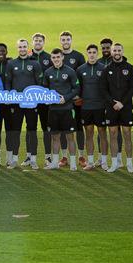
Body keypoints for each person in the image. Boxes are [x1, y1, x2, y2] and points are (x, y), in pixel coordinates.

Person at [4, 39, 43, 169]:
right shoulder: (11, 63)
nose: (22, 49)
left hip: (32, 104)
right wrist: (9, 96)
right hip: (16, 104)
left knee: (32, 130)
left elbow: (39, 83)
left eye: (24, 47)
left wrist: (36, 99)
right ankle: (14, 159)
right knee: (16, 130)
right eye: (20, 47)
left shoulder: (35, 64)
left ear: (28, 48)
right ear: (17, 48)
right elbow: (8, 82)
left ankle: (33, 159)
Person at [100, 43, 133, 173]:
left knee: (127, 135)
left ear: (122, 51)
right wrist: (113, 103)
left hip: (126, 107)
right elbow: (103, 89)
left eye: (119, 50)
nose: (117, 52)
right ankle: (115, 163)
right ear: (111, 51)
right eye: (114, 50)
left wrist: (122, 102)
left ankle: (129, 164)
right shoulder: (106, 69)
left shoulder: (130, 68)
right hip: (111, 108)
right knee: (113, 135)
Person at [43, 48, 79, 171]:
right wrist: (47, 98)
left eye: (58, 57)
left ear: (62, 57)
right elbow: (45, 89)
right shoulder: (48, 72)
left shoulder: (70, 71)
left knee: (70, 137)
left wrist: (66, 98)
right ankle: (54, 162)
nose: (56, 59)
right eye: (53, 57)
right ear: (51, 59)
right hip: (53, 110)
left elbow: (76, 88)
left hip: (67, 109)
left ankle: (73, 163)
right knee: (55, 137)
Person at [76, 44, 109, 171]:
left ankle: (104, 161)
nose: (92, 54)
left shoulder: (104, 68)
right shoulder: (80, 69)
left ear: (97, 53)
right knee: (88, 134)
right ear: (87, 53)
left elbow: (107, 88)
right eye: (89, 52)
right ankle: (90, 162)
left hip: (100, 107)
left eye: (94, 52)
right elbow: (78, 88)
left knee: (102, 134)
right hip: (86, 107)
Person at [59, 31, 87, 168]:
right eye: (63, 39)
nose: (65, 42)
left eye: (67, 39)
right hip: (62, 100)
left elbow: (82, 78)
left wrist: (79, 95)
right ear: (60, 41)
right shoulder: (57, 56)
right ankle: (64, 157)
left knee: (79, 127)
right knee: (64, 128)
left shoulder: (78, 56)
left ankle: (81, 156)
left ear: (71, 40)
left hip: (76, 99)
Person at [30, 32, 53, 166]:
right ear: (32, 42)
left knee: (46, 128)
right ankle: (30, 156)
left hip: (44, 100)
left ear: (44, 43)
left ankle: (48, 156)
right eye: (36, 41)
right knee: (31, 128)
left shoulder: (49, 58)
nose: (38, 43)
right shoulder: (27, 56)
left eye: (40, 41)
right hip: (30, 100)